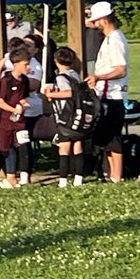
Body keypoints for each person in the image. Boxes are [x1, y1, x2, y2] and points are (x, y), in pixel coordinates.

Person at [84, 1, 128, 184]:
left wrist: (99, 77)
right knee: (107, 136)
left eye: (96, 20)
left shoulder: (116, 39)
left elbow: (121, 70)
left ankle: (117, 175)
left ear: (103, 19)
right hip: (105, 95)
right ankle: (111, 174)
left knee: (113, 137)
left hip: (113, 95)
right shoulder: (109, 39)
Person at [43, 47, 88, 188]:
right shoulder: (75, 74)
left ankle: (63, 180)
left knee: (64, 147)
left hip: (65, 116)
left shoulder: (61, 78)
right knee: (78, 144)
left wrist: (51, 95)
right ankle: (78, 178)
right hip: (78, 114)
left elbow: (68, 93)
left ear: (56, 61)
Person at [0, 48, 31, 189]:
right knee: (7, 148)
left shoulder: (25, 80)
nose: (28, 67)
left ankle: (24, 178)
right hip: (5, 120)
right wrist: (14, 109)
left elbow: (22, 98)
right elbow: (0, 102)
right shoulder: (6, 80)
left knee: (23, 145)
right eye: (25, 64)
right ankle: (9, 177)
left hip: (20, 121)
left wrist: (23, 104)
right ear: (16, 64)